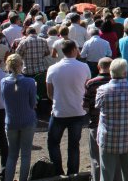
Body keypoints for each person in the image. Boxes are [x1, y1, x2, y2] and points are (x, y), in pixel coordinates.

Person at [46, 40, 91, 175]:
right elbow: (87, 88)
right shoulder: (84, 67)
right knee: (74, 145)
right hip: (78, 110)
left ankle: (58, 172)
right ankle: (73, 173)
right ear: (73, 50)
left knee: (53, 143)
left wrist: (59, 99)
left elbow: (49, 93)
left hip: (59, 111)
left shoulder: (53, 68)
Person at [95, 58, 128, 181]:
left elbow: (97, 107)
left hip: (108, 137)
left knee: (106, 174)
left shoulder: (102, 90)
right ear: (125, 73)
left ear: (110, 72)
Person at [0, 54, 36, 181]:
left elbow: (4, 100)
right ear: (21, 65)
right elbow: (32, 103)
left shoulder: (3, 82)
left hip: (11, 121)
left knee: (12, 155)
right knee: (25, 154)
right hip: (27, 120)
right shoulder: (30, 82)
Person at [83, 58, 114, 181]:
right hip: (113, 125)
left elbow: (85, 107)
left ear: (98, 67)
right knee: (113, 160)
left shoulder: (91, 83)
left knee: (96, 159)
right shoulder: (115, 81)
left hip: (95, 124)